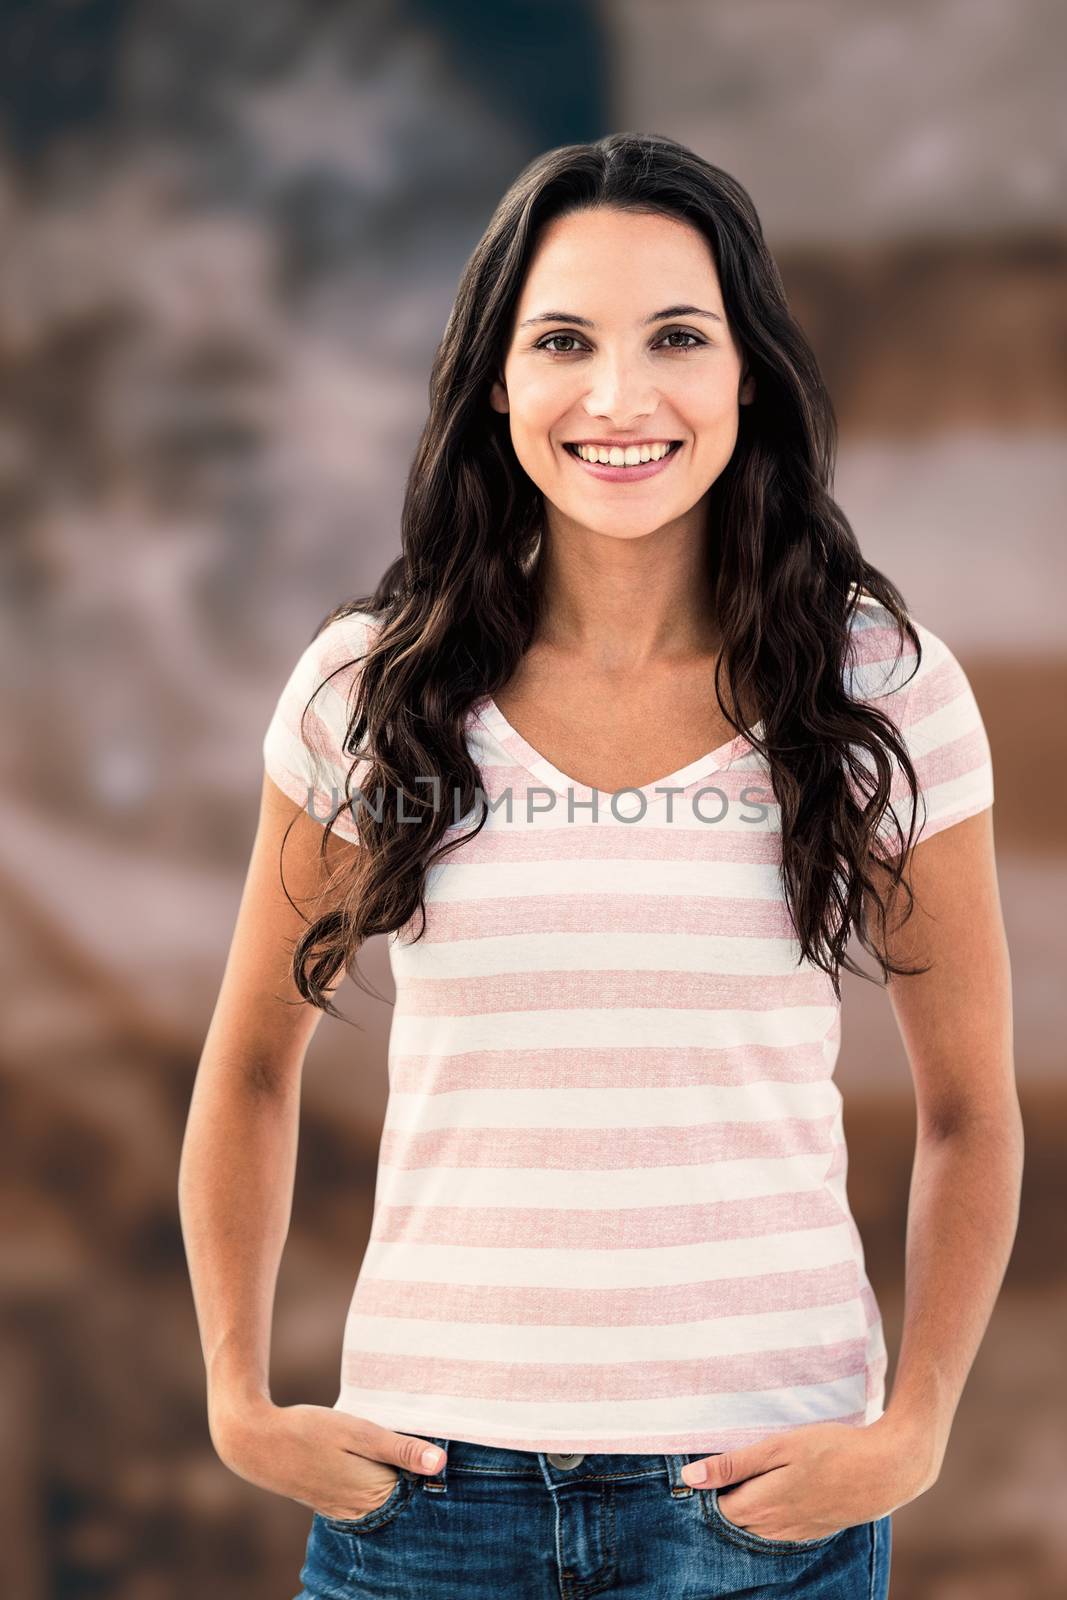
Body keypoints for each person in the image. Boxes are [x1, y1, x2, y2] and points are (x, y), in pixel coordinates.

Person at [178, 132, 1021, 1599]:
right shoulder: (366, 689)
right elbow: (252, 1064)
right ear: (494, 380)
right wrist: (239, 1401)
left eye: (677, 338)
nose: (620, 398)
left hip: (765, 1504)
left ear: (745, 372)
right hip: (428, 1504)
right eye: (562, 340)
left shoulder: (880, 686)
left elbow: (971, 1115)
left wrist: (918, 1429)